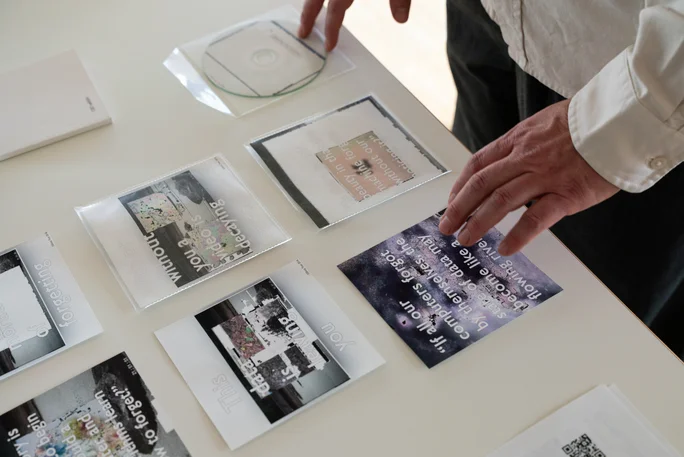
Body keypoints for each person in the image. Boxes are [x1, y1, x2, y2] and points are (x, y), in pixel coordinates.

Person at [298, 0, 684, 358]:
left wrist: (626, 120)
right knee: (472, 211)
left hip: (632, 73)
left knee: (587, 328)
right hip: (491, 16)